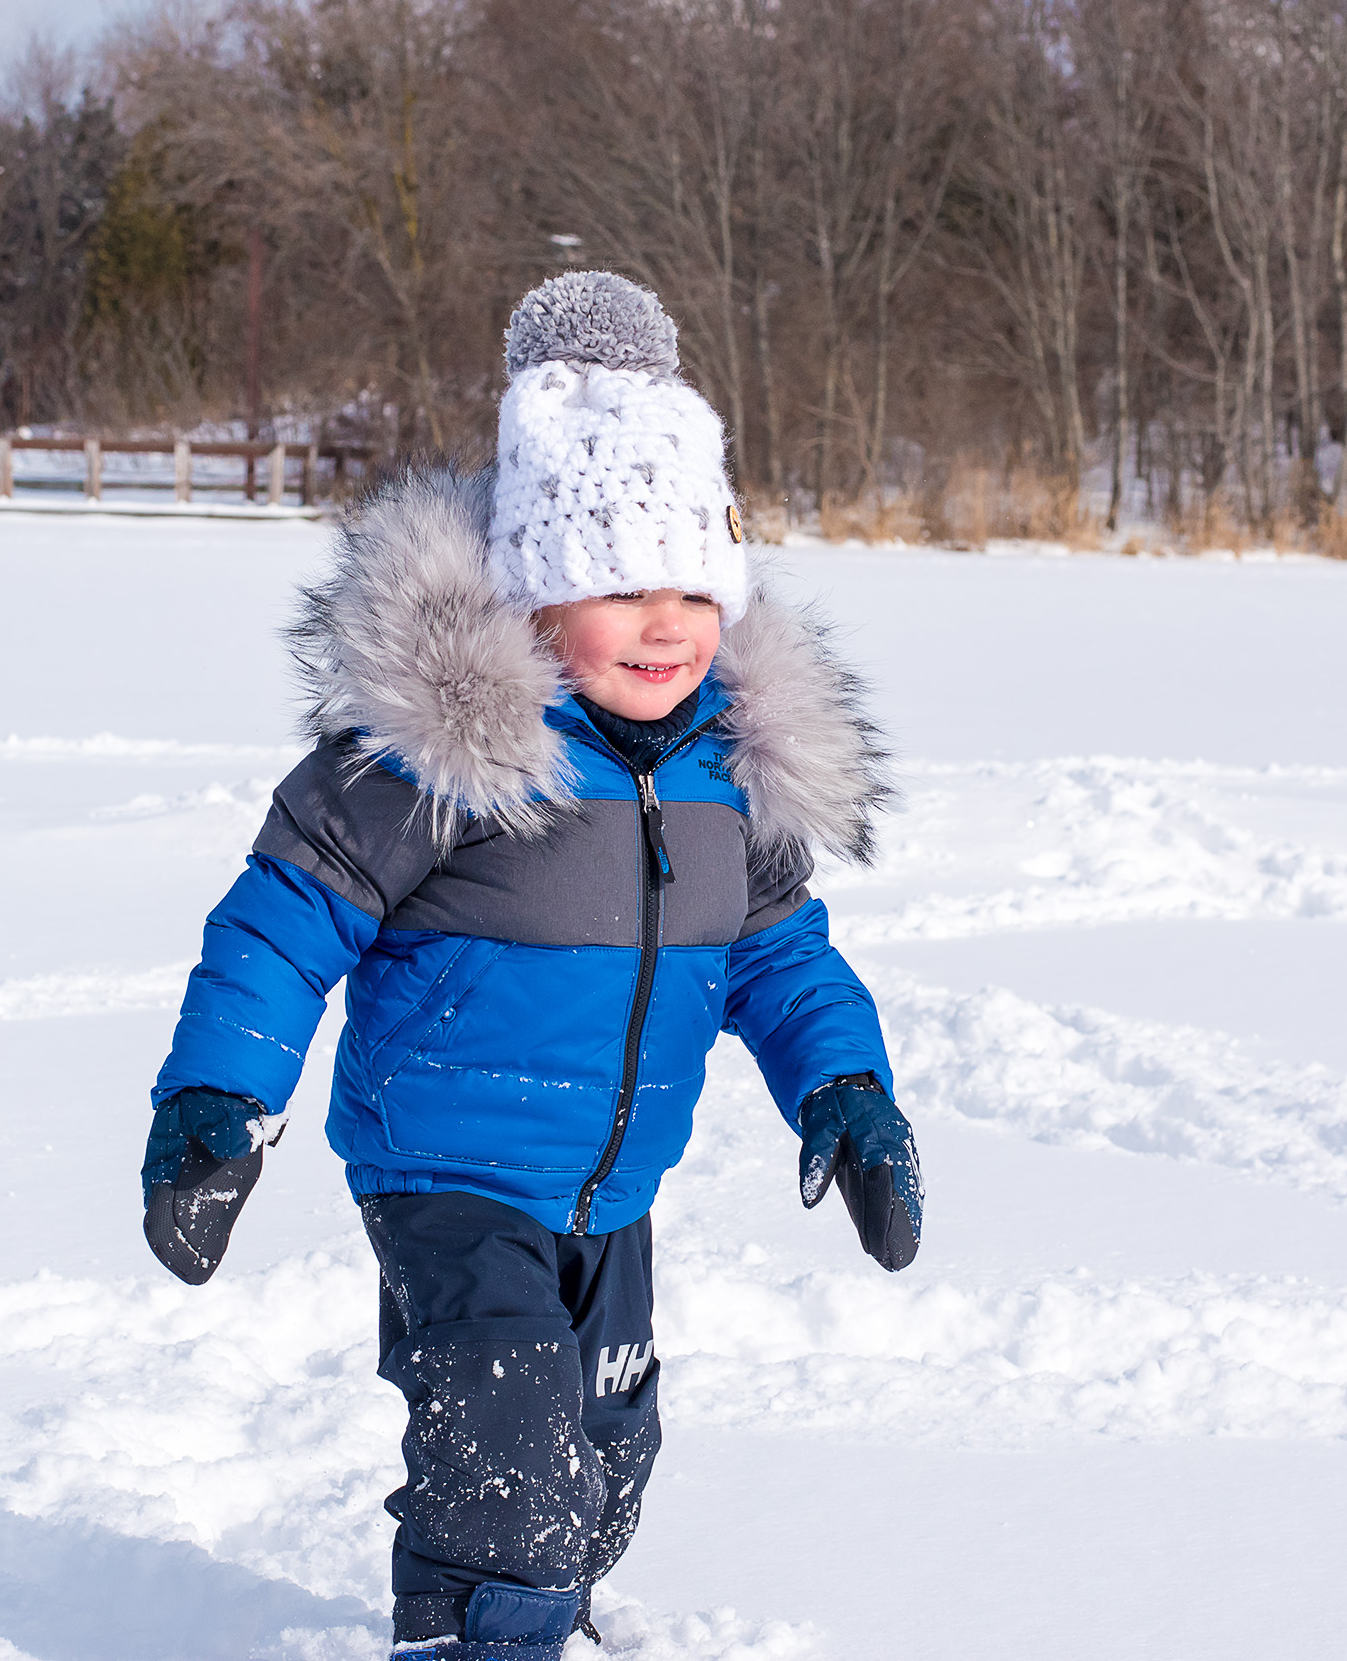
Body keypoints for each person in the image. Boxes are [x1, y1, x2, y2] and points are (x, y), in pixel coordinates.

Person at [139, 271, 922, 1661]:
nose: (668, 621)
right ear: (542, 591)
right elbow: (280, 920)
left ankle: (551, 1589)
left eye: (695, 584)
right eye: (623, 586)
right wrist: (217, 1101)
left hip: (613, 1189)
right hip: (446, 1170)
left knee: (608, 1452)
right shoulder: (440, 756)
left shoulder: (726, 775)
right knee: (505, 1452)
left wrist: (847, 1093)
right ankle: (472, 1635)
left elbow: (780, 957)